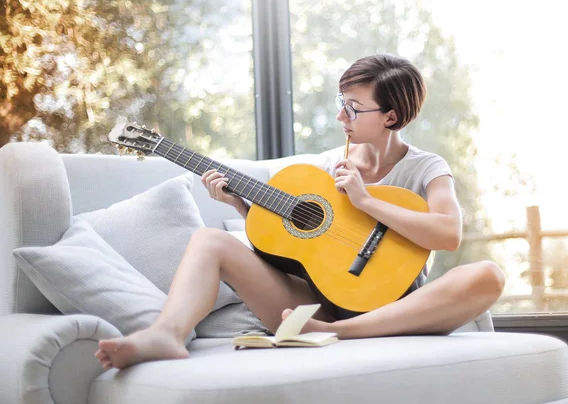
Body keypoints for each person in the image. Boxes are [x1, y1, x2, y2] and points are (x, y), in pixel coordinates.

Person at [95, 54, 505, 370]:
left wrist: (366, 201)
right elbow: (294, 246)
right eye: (341, 103)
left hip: (394, 307)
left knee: (488, 275)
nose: (340, 116)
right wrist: (239, 205)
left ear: (391, 116)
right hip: (310, 306)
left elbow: (447, 233)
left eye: (354, 108)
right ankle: (166, 334)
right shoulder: (324, 167)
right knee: (208, 239)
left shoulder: (426, 167)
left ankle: (337, 334)